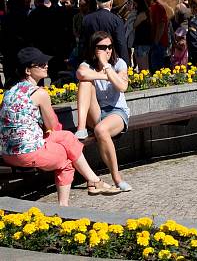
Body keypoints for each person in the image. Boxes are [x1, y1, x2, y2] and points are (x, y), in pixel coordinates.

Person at [0, 48, 120, 205]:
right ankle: (63, 209)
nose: (46, 66)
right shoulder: (39, 93)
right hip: (26, 153)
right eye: (41, 64)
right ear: (28, 70)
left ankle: (94, 181)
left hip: (7, 152)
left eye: (46, 63)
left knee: (68, 137)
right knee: (66, 159)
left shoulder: (9, 92)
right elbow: (51, 125)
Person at [74, 32, 132, 192]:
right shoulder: (87, 65)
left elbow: (122, 86)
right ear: (93, 49)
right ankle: (81, 128)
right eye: (102, 47)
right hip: (97, 112)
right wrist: (105, 76)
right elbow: (81, 74)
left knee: (101, 130)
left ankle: (117, 178)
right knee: (85, 83)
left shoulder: (119, 63)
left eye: (109, 47)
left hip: (117, 112)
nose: (107, 50)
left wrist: (106, 66)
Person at [80, 0, 130, 66]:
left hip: (92, 62)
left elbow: (83, 44)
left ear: (97, 2)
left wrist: (81, 63)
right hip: (111, 62)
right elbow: (121, 45)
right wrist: (126, 66)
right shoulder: (116, 20)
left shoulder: (87, 19)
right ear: (111, 1)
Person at [141, 0, 168, 70]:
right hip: (155, 42)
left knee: (157, 68)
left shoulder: (158, 8)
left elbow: (161, 25)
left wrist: (156, 41)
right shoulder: (151, 8)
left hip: (159, 42)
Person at [131, 0, 152, 71]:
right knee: (142, 67)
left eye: (134, 3)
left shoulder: (142, 14)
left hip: (142, 43)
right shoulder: (145, 12)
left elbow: (134, 24)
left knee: (143, 67)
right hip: (141, 42)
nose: (134, 5)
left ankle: (145, 81)